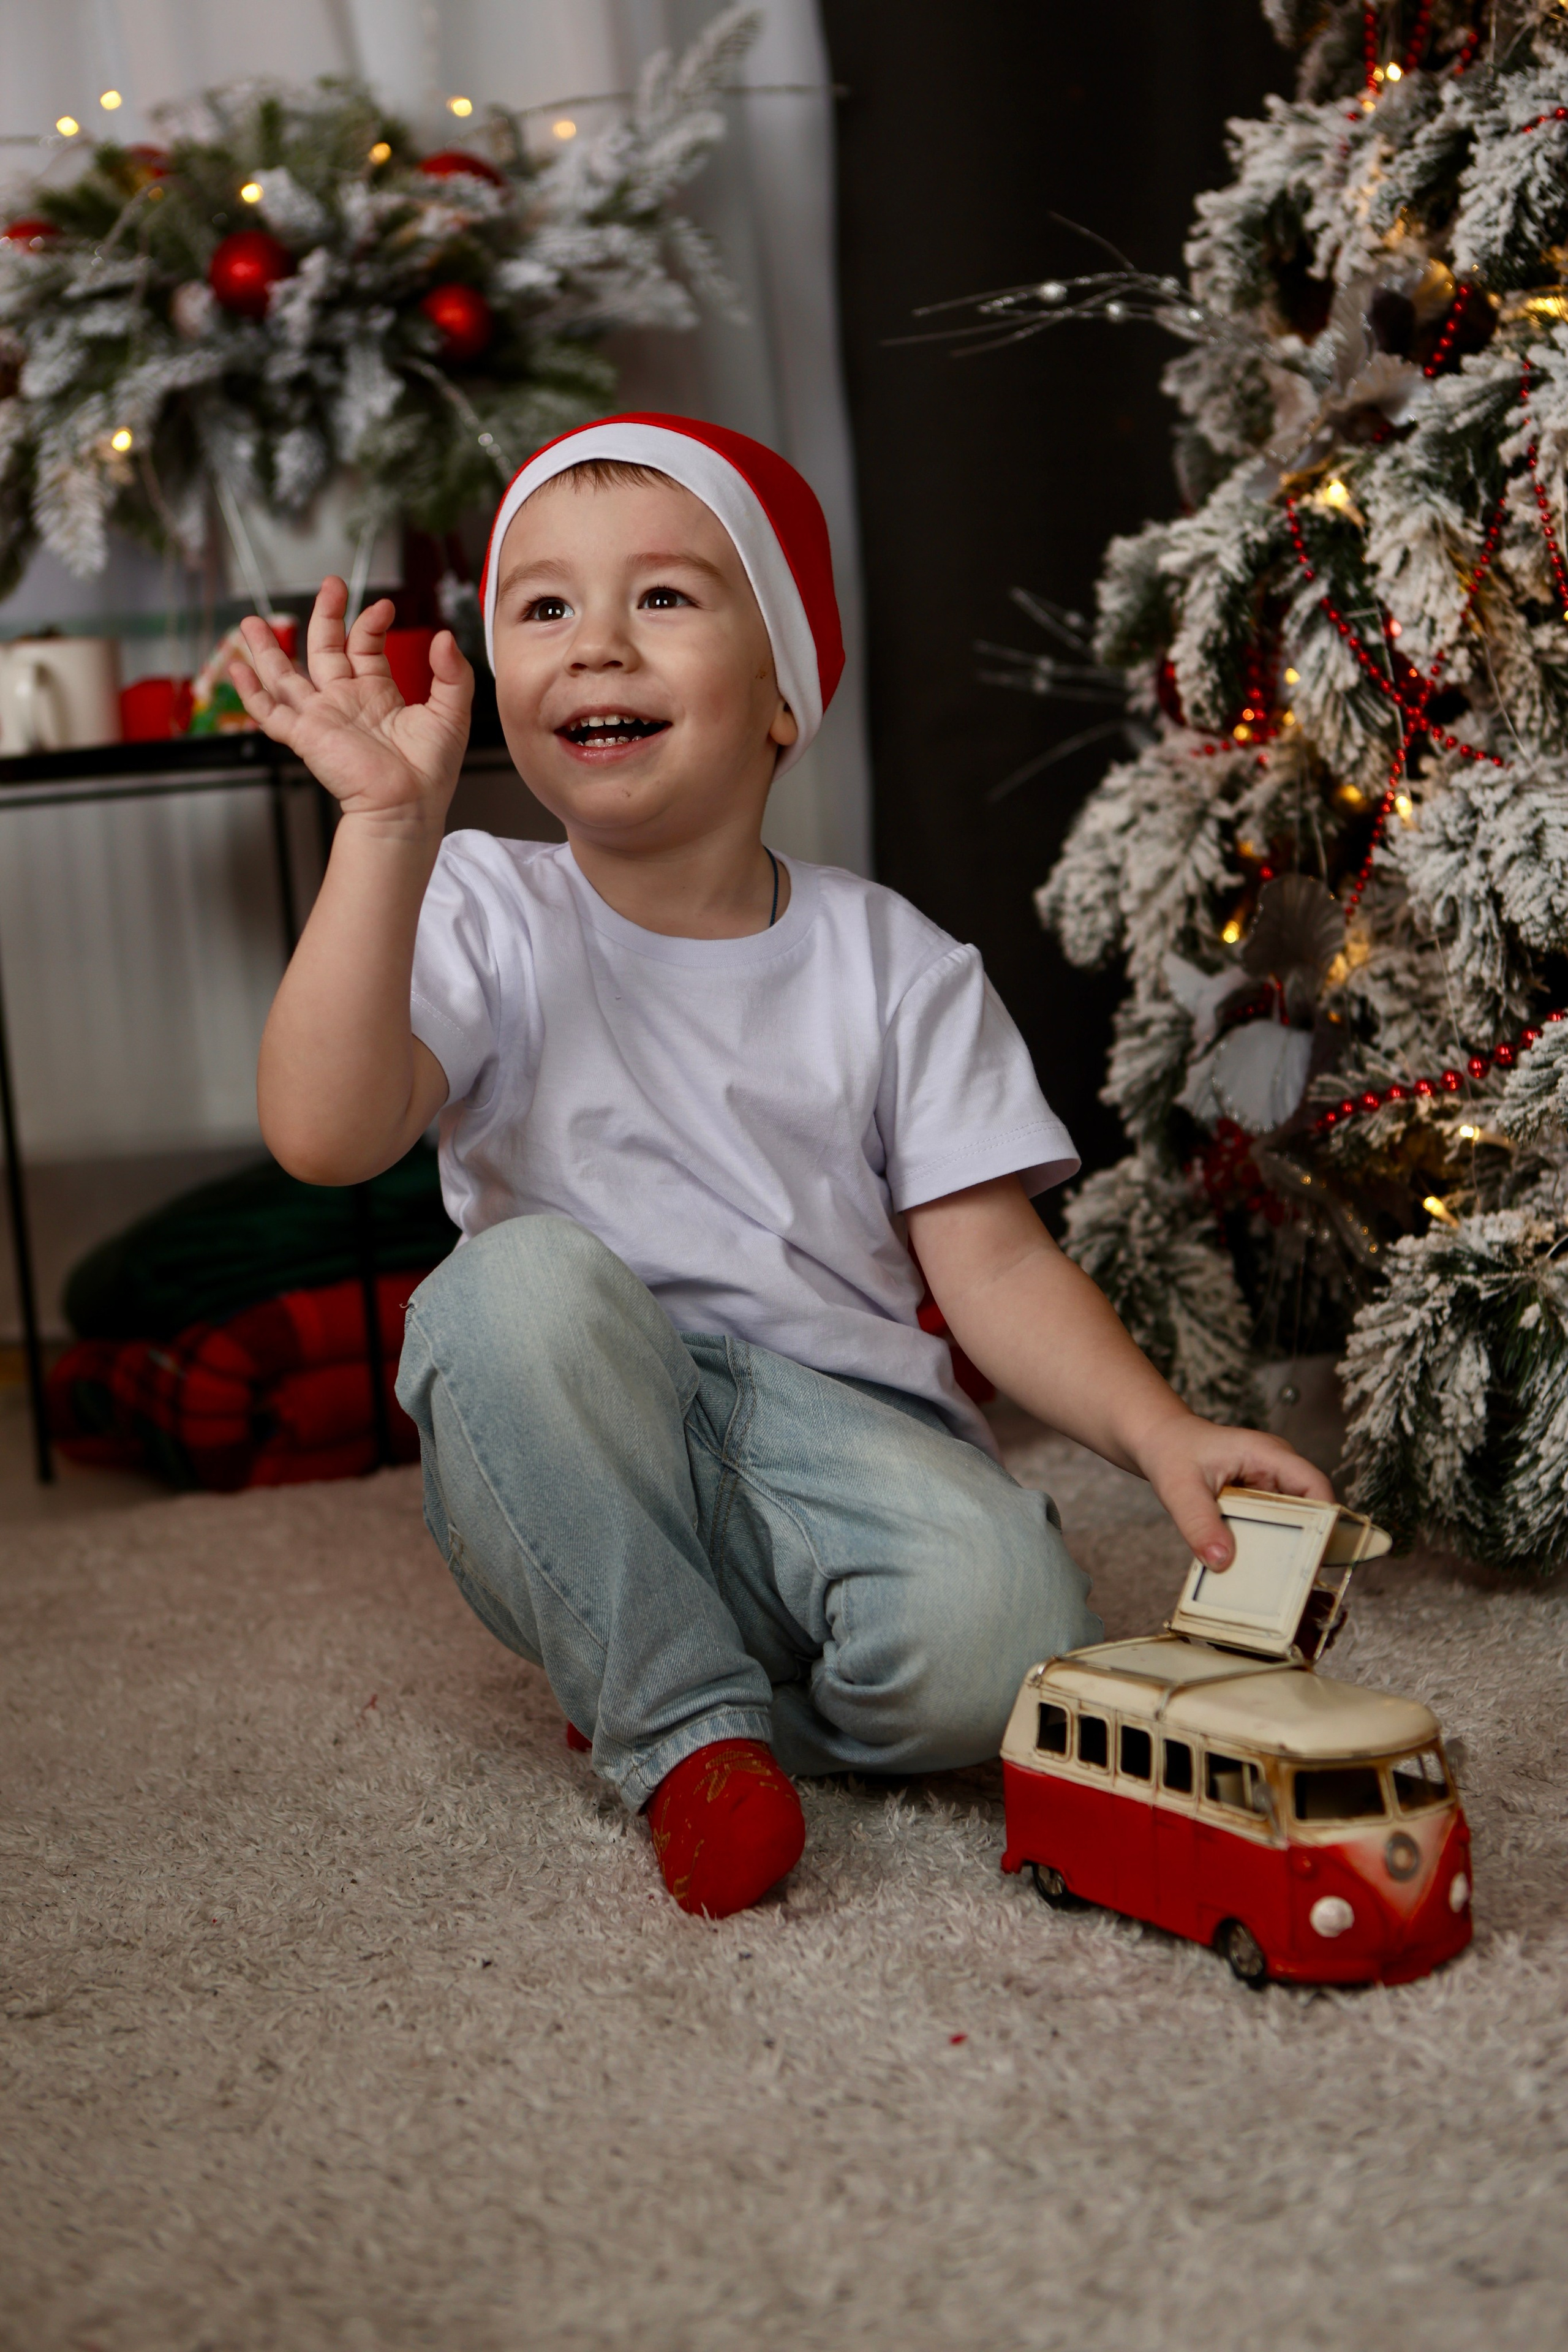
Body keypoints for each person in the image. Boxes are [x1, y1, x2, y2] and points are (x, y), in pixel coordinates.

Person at [236, 413, 1332, 1921]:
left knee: (1010, 1649)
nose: (595, 646)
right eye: (541, 606)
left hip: (844, 1445)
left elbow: (998, 1265)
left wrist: (1154, 1433)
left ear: (780, 692)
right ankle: (683, 1732)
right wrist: (382, 828)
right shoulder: (480, 904)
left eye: (665, 599)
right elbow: (324, 1131)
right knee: (511, 1290)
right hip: (583, 1427)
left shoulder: (893, 963)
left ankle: (672, 1671)